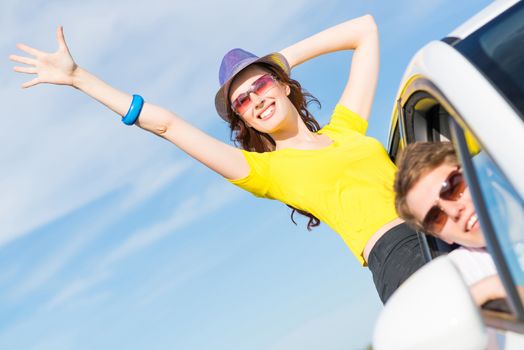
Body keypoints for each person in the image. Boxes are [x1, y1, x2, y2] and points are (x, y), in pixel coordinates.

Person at [10, 15, 425, 303]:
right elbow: (168, 125)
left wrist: (275, 63)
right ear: (242, 120)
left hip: (444, 216)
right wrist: (80, 78)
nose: (254, 100)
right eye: (241, 101)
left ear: (283, 86)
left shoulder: (345, 129)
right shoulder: (267, 172)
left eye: (260, 85)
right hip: (400, 256)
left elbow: (364, 31)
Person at [393, 141, 506, 306]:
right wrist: (488, 289)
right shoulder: (462, 272)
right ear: (441, 236)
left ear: (474, 170)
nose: (453, 211)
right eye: (435, 217)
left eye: (452, 187)